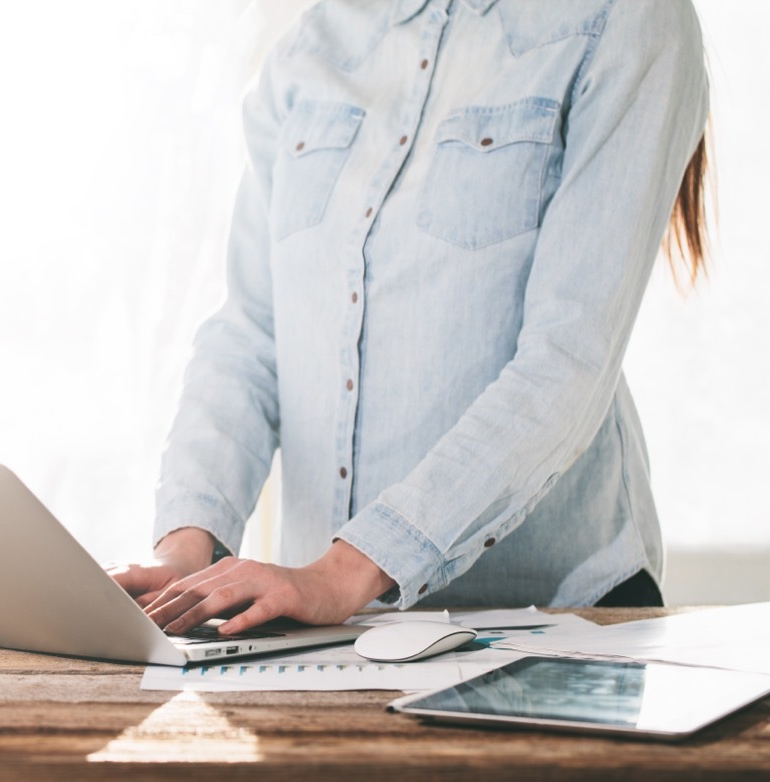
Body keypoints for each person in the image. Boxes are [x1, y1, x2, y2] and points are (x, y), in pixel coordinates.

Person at [110, 0, 710, 637]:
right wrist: (184, 550)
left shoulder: (626, 18)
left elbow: (569, 357)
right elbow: (251, 340)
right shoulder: (308, 48)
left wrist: (346, 571)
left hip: (559, 623)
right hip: (332, 638)